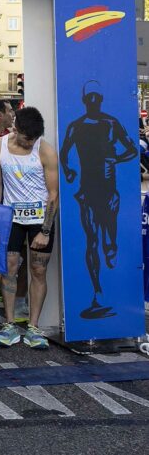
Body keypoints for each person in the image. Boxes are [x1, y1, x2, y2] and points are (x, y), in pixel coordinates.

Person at [60, 82, 138, 319]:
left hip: (109, 189)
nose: (93, 101)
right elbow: (64, 153)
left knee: (108, 240)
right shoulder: (76, 126)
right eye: (89, 97)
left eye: (97, 97)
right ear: (85, 100)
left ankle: (111, 247)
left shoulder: (111, 122)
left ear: (101, 98)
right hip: (86, 191)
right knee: (91, 240)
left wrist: (116, 159)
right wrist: (69, 171)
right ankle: (98, 292)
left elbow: (132, 149)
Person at [0, 107, 60, 349]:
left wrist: (46, 230)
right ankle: (9, 324)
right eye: (26, 138)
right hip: (11, 218)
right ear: (15, 129)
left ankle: (34, 326)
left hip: (41, 220)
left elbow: (53, 195)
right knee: (9, 269)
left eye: (34, 138)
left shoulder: (46, 150)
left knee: (38, 271)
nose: (30, 142)